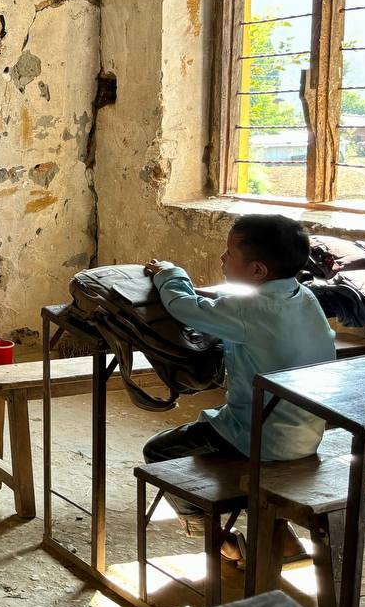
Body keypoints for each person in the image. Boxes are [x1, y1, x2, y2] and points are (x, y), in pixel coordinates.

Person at [143, 214, 335, 553]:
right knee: (217, 423)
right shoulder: (304, 297)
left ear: (258, 270)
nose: (222, 258)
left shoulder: (248, 308)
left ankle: (217, 540)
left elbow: (184, 307)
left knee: (159, 451)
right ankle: (282, 537)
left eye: (229, 253)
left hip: (264, 438)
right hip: (306, 430)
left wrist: (170, 273)